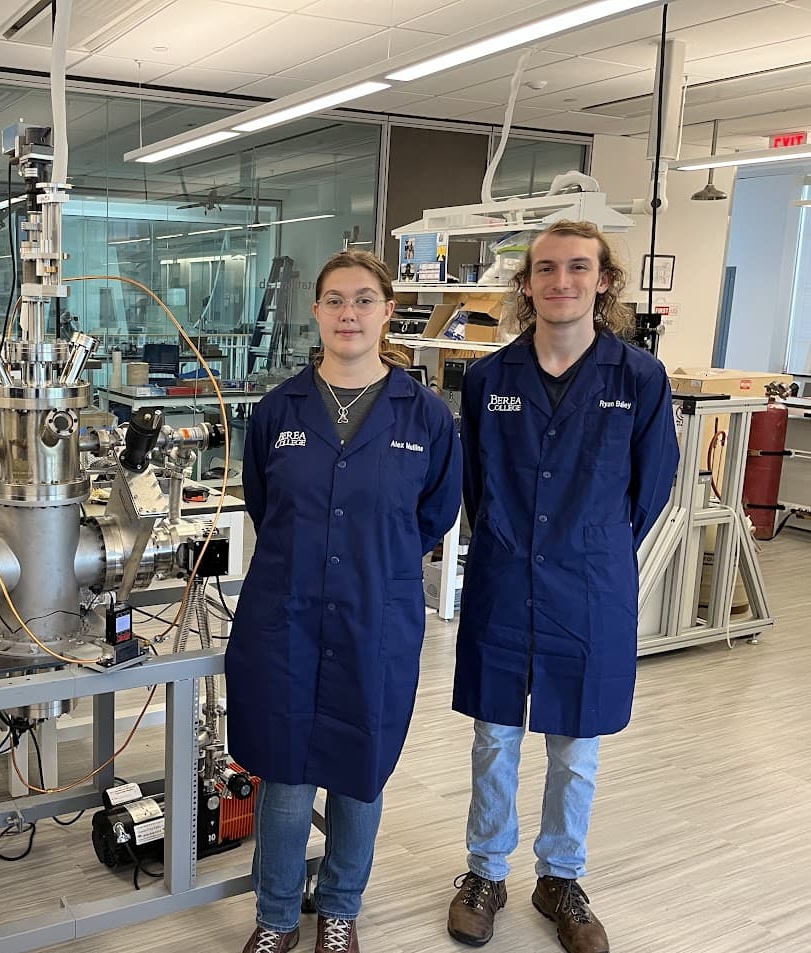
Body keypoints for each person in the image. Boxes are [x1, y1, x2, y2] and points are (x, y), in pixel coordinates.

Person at [445, 221, 679, 953]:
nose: (561, 281)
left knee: (576, 745)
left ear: (603, 281)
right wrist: (516, 542)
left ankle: (560, 877)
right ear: (526, 284)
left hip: (589, 584)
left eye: (578, 267)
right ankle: (485, 871)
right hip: (504, 576)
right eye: (545, 268)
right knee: (495, 736)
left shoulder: (638, 379)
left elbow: (652, 487)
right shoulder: (488, 379)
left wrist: (589, 547)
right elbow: (475, 488)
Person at [227, 250, 462, 953]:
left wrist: (371, 561)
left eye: (363, 300)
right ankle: (275, 917)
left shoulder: (426, 416)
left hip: (375, 617)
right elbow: (265, 504)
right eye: (334, 299)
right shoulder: (278, 410)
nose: (348, 313)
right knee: (286, 774)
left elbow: (434, 515)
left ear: (387, 311)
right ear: (316, 311)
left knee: (360, 773)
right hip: (285, 616)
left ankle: (339, 909)